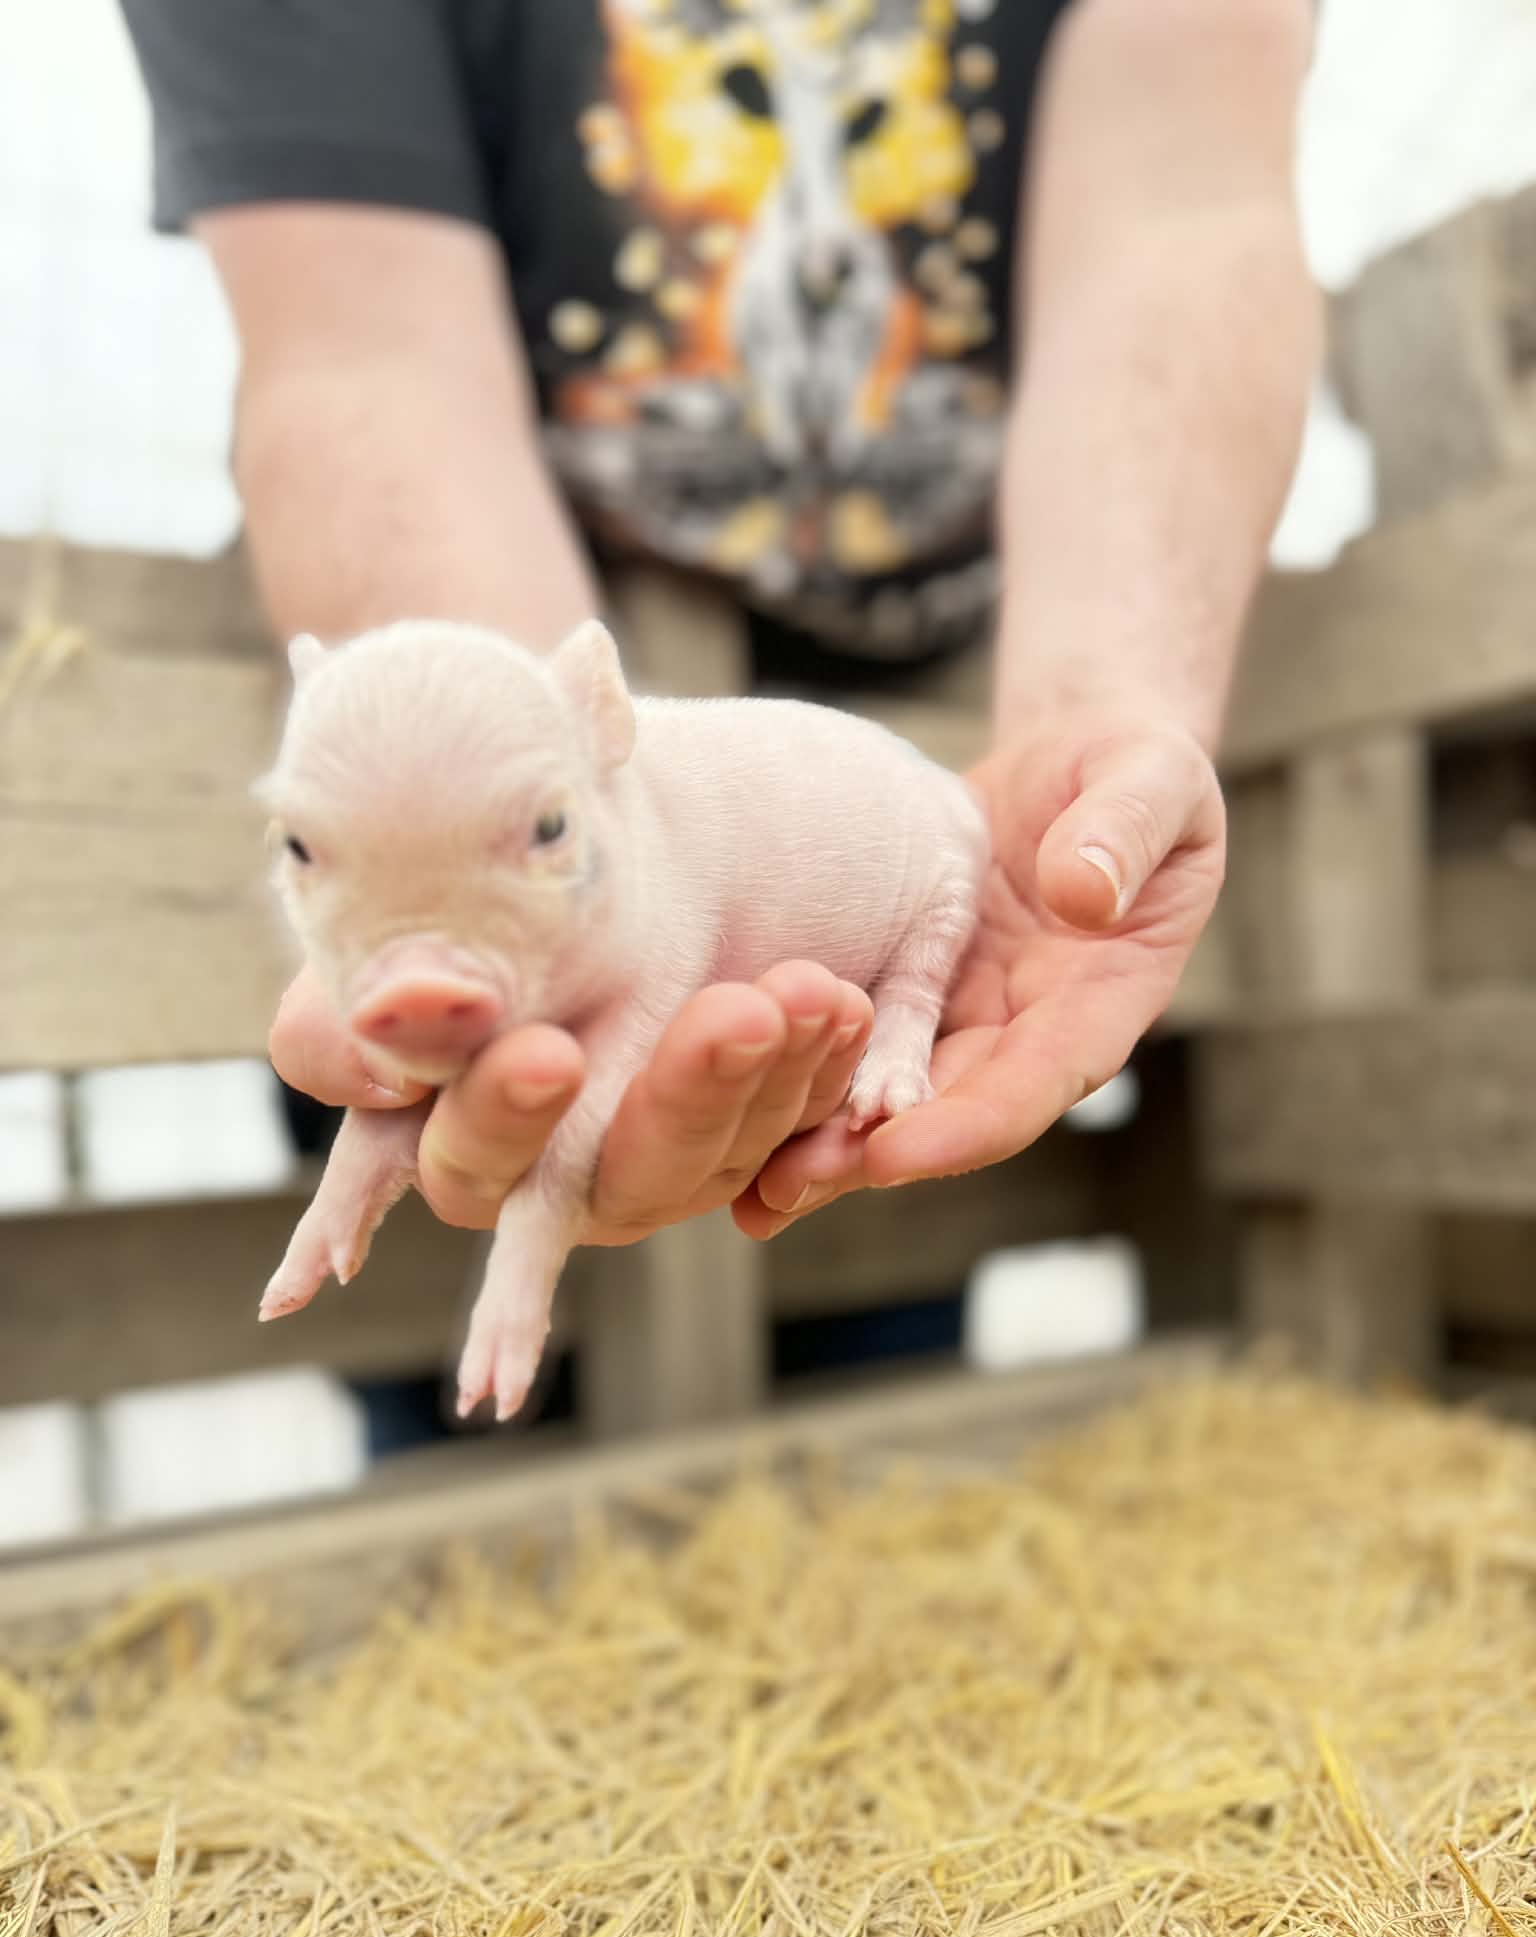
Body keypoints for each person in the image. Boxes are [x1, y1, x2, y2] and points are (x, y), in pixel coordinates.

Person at [120, 0, 1318, 1247]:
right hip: (496, 643)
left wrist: (1092, 713)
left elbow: (1185, 209)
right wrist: (531, 815)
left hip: (912, 733)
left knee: (854, 1218)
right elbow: (367, 349)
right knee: (459, 1231)